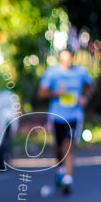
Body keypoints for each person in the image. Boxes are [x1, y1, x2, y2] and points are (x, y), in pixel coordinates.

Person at [38, 49, 93, 194]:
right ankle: (60, 170)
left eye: (69, 59)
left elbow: (90, 87)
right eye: (64, 60)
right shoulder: (52, 73)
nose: (67, 62)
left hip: (74, 116)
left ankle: (68, 179)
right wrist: (57, 93)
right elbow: (42, 92)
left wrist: (85, 98)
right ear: (60, 60)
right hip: (57, 116)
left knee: (68, 145)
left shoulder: (81, 72)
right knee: (58, 147)